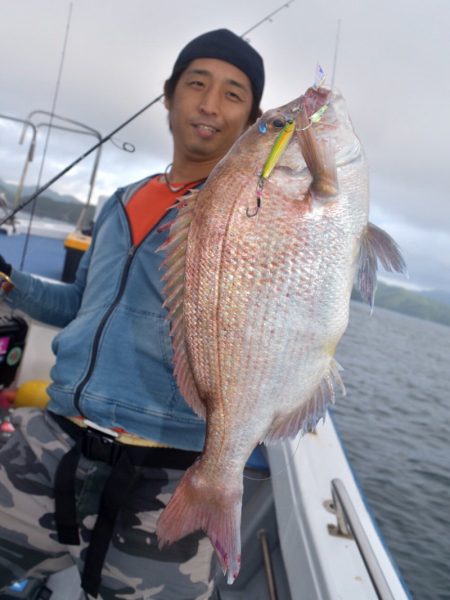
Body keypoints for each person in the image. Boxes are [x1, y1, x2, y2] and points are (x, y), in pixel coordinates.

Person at [0, 29, 265, 600]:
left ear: (250, 121)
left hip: (173, 475)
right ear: (168, 95)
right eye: (196, 84)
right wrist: (9, 282)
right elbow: (78, 306)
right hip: (55, 441)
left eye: (233, 94)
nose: (210, 104)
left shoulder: (254, 217)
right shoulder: (120, 201)